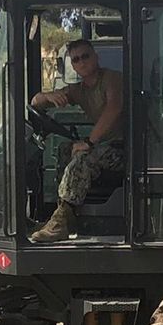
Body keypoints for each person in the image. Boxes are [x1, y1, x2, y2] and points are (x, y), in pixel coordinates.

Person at [29, 39, 124, 242]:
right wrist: (49, 95)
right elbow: (35, 102)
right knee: (65, 150)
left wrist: (89, 142)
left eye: (85, 56)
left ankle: (60, 223)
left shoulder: (112, 79)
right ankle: (64, 215)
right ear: (72, 65)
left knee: (82, 158)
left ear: (96, 57)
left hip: (126, 149)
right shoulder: (78, 90)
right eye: (76, 60)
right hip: (103, 147)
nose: (82, 62)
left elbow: (113, 108)